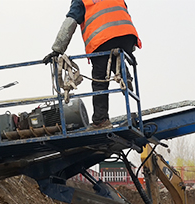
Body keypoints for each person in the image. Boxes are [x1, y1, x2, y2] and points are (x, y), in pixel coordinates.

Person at [43, 0, 141, 129]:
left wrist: (57, 49)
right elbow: (122, 16)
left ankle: (101, 121)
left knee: (99, 80)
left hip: (102, 39)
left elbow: (70, 23)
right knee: (114, 56)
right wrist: (129, 50)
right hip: (128, 36)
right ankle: (124, 73)